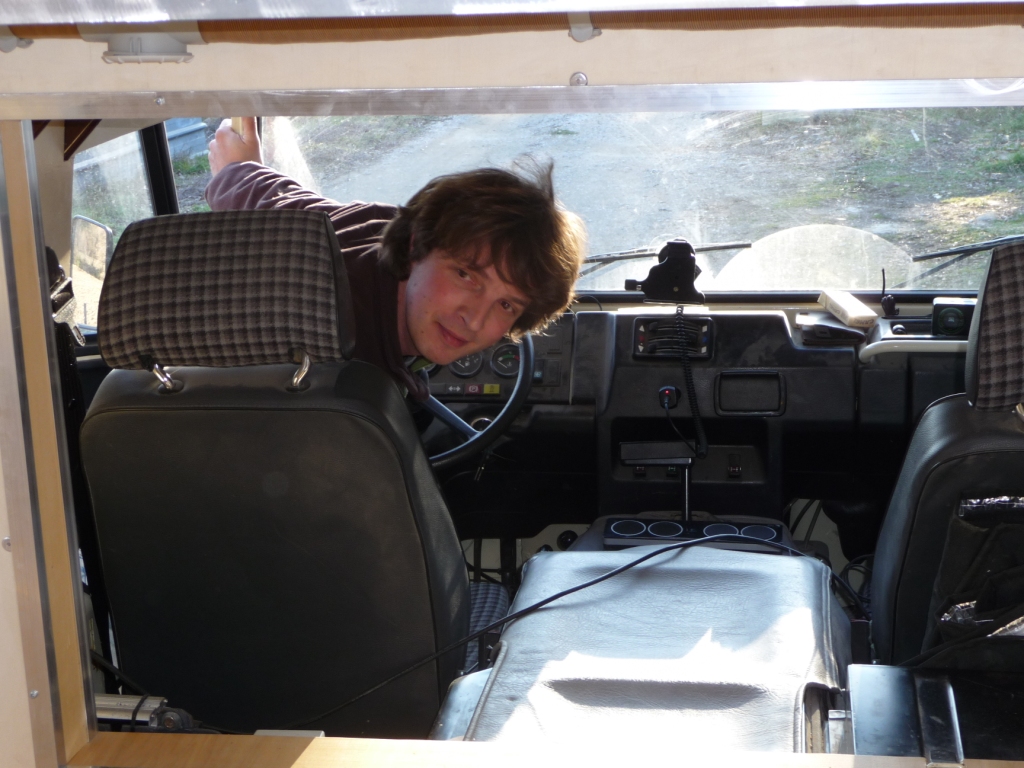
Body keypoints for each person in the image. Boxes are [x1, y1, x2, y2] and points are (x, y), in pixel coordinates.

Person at [206, 117, 586, 400]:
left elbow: (276, 200)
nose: (474, 320)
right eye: (466, 275)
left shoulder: (368, 225)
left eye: (506, 304)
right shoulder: (347, 378)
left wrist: (238, 170)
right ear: (417, 244)